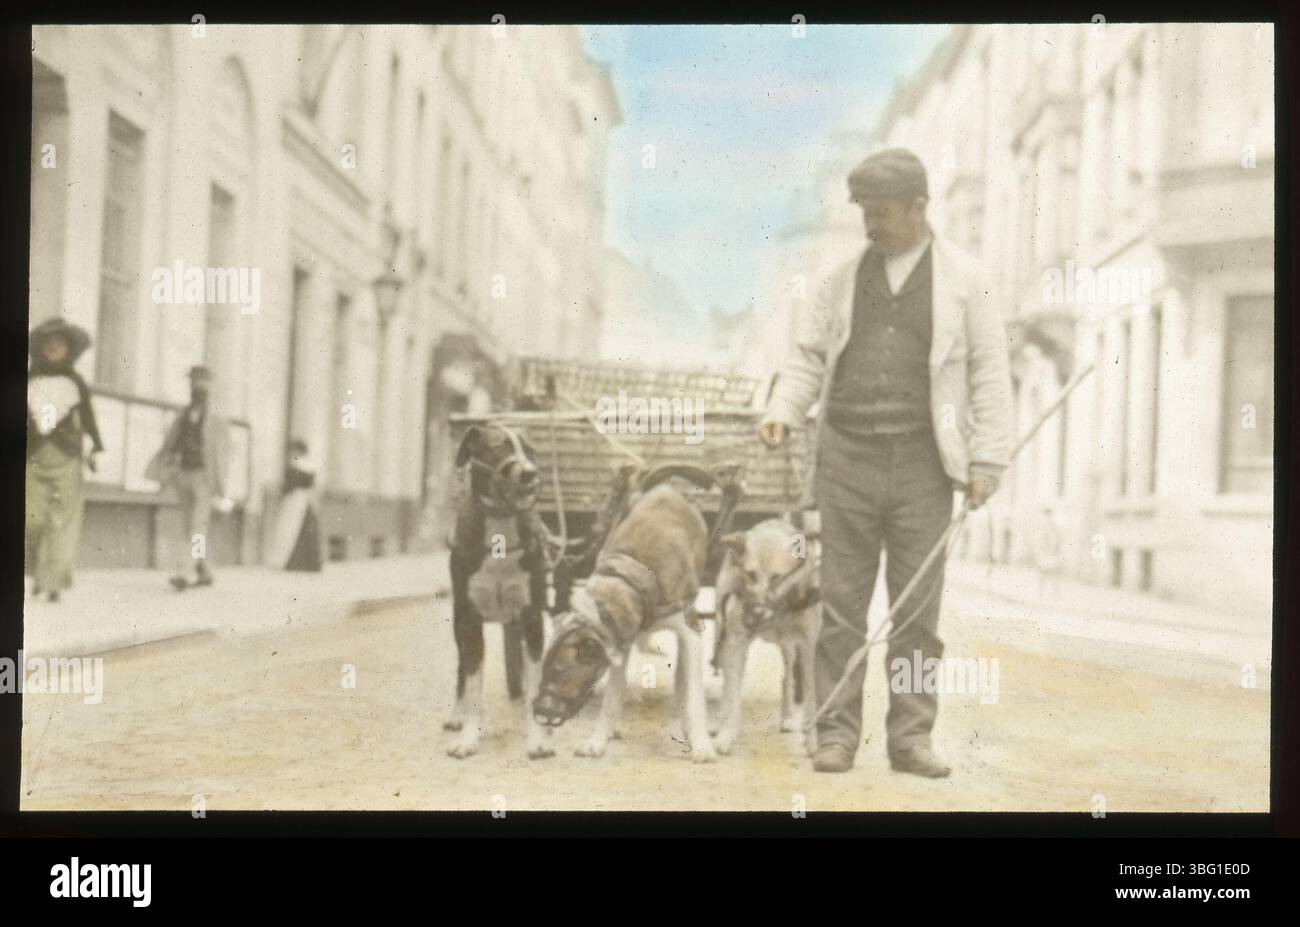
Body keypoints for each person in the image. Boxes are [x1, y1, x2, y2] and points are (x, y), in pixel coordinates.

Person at [759, 148, 1012, 777]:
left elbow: (989, 374)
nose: (873, 226)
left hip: (926, 467)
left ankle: (911, 738)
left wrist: (988, 460)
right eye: (866, 214)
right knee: (841, 604)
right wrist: (784, 411)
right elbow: (809, 357)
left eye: (884, 214)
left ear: (921, 207)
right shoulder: (840, 281)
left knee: (917, 614)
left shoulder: (967, 280)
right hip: (846, 459)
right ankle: (835, 733)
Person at [26, 319, 103, 603]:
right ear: (41, 348)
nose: (53, 347)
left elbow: (89, 417)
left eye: (59, 343)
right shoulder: (30, 380)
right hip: (33, 457)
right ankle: (38, 572)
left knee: (61, 521)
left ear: (68, 349)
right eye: (48, 344)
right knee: (31, 518)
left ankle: (53, 581)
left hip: (67, 456)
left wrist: (95, 446)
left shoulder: (75, 382)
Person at [145, 365, 232, 591]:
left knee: (197, 527)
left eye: (202, 383)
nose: (197, 387)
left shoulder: (216, 419)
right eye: (194, 383)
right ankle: (204, 570)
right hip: (184, 475)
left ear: (209, 387)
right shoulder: (182, 415)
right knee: (190, 526)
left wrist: (221, 485)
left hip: (205, 478)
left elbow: (223, 455)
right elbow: (171, 444)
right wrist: (166, 470)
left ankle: (184, 573)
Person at [266, 439, 323, 571]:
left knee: (290, 529)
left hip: (294, 501)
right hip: (306, 502)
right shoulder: (310, 466)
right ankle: (307, 563)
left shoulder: (294, 466)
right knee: (301, 529)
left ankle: (292, 561)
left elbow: (288, 485)